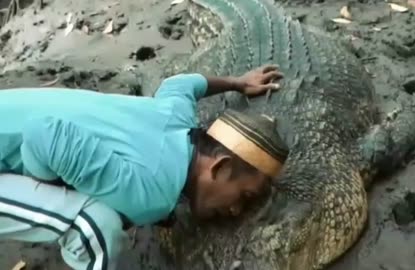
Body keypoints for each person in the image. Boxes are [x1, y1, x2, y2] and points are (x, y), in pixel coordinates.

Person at [0, 64, 289, 270]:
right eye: (245, 195)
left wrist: (237, 82)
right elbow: (42, 134)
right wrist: (47, 185)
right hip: (28, 143)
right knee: (95, 225)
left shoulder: (179, 117)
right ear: (220, 168)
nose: (238, 209)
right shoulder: (152, 197)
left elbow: (181, 84)